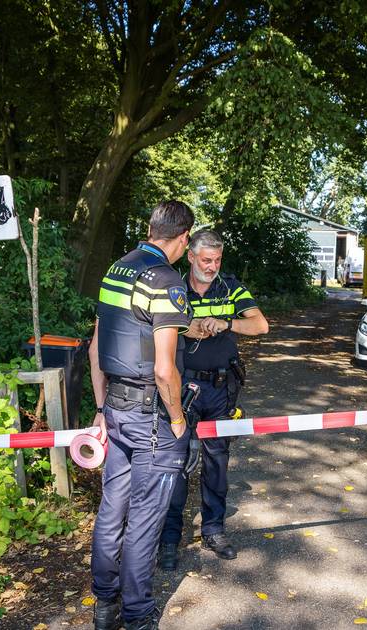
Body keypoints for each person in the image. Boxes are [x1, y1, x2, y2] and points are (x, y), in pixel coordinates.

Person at [87, 200, 196, 630]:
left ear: (151, 229)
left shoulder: (117, 269)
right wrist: (178, 420)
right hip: (152, 416)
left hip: (114, 408)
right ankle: (137, 616)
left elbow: (97, 348)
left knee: (112, 510)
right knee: (146, 520)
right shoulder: (167, 280)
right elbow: (164, 368)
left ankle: (104, 605)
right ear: (184, 238)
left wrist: (100, 409)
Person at [158, 229, 269, 570]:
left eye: (217, 260)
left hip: (221, 389)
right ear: (190, 256)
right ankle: (169, 540)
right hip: (183, 388)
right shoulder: (172, 288)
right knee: (175, 463)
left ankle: (214, 530)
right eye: (206, 260)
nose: (212, 266)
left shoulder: (230, 287)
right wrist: (188, 325)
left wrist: (226, 323)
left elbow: (261, 326)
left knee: (217, 461)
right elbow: (157, 327)